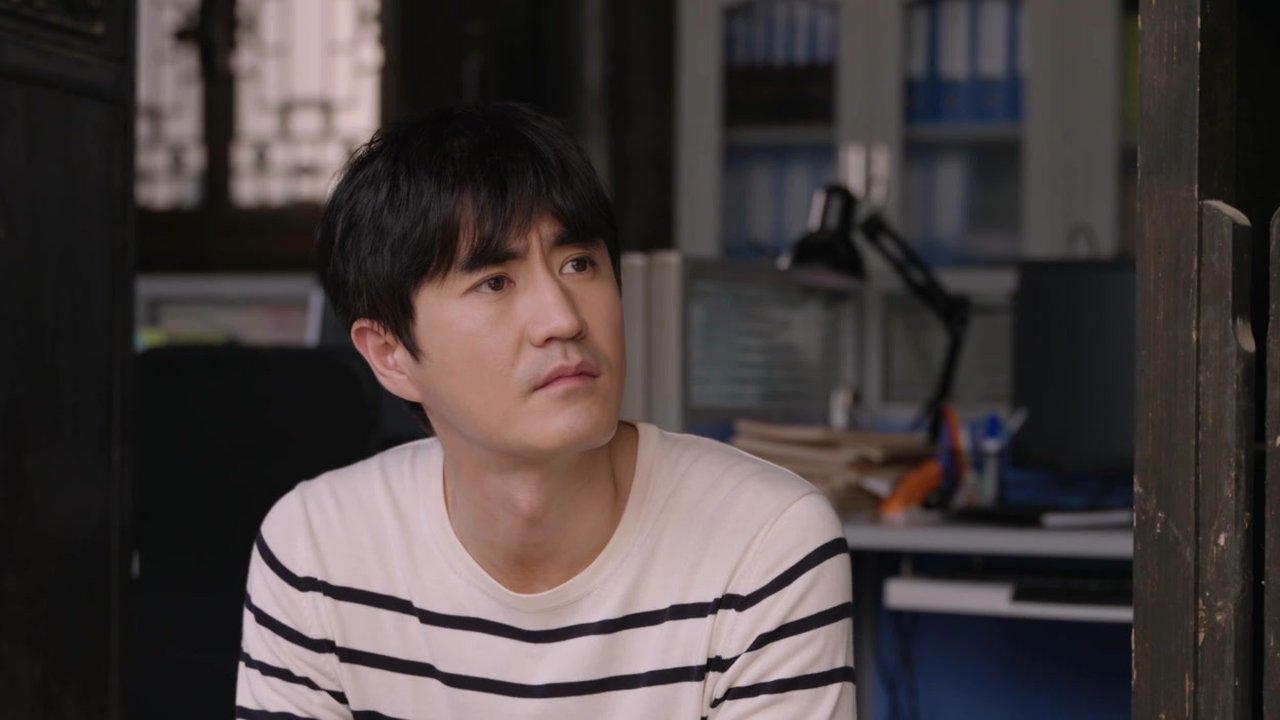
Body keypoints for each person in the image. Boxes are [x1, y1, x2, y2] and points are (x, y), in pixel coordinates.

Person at [235, 102, 855, 719]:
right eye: (494, 282)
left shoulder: (765, 543)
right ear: (390, 354)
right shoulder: (317, 550)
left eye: (579, 264)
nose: (563, 319)